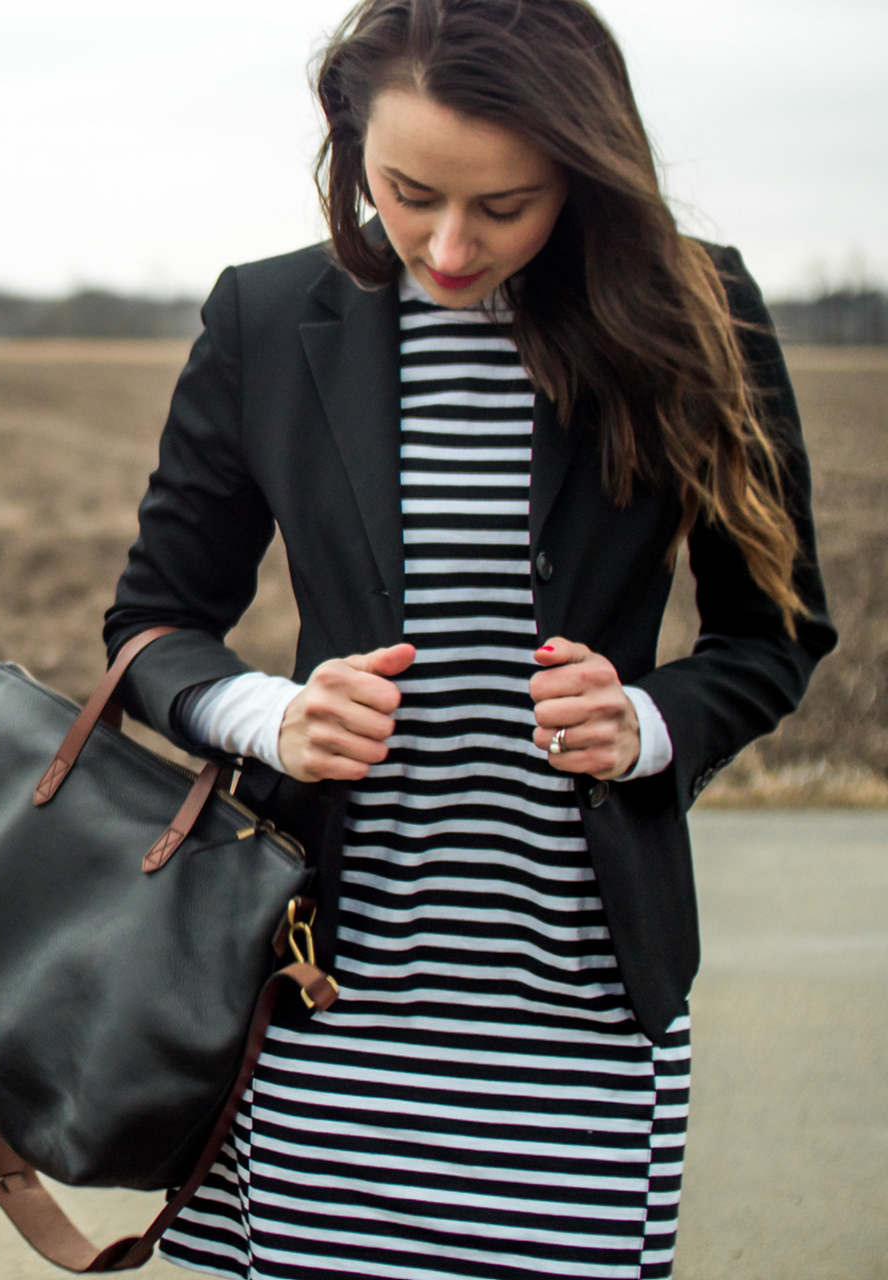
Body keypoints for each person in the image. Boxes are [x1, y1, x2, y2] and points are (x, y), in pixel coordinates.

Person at [102, 1, 837, 1276]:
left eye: (506, 205)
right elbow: (154, 625)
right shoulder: (265, 316)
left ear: (587, 170)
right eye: (408, 192)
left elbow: (774, 630)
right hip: (319, 972)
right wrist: (271, 714)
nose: (449, 245)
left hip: (577, 982)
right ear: (352, 145)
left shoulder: (699, 305)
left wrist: (646, 722)